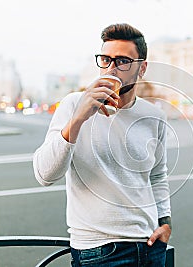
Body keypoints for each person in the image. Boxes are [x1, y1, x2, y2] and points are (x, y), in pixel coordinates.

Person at [33, 23, 171, 266]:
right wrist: (79, 117)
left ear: (142, 69)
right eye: (105, 59)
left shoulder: (154, 116)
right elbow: (45, 174)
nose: (111, 69)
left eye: (122, 61)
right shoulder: (74, 104)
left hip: (151, 247)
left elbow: (157, 175)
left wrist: (165, 222)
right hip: (98, 251)